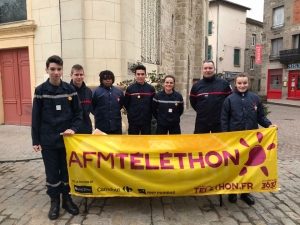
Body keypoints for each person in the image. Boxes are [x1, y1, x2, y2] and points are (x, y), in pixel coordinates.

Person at [31, 55, 82, 220]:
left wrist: (73, 128)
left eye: (59, 69)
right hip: (48, 140)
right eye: (52, 69)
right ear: (47, 70)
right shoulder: (40, 91)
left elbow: (78, 113)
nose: (56, 72)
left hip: (67, 140)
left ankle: (67, 200)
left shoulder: (70, 90)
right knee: (52, 173)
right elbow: (36, 117)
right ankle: (54, 202)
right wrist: (36, 140)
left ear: (62, 70)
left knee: (67, 171)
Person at [221, 73, 278, 205]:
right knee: (235, 166)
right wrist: (225, 137)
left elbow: (261, 117)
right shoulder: (229, 100)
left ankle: (245, 192)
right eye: (239, 83)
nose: (242, 85)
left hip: (251, 140)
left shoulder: (255, 98)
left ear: (248, 83)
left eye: (245, 83)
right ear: (235, 84)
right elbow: (224, 120)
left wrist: (269, 125)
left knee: (249, 166)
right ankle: (233, 192)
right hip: (234, 139)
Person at [189, 60, 232, 134]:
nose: (208, 70)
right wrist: (202, 111)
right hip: (202, 122)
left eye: (210, 68)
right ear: (202, 70)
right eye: (205, 68)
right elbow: (193, 102)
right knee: (200, 144)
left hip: (220, 122)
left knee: (220, 144)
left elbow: (230, 100)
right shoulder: (196, 86)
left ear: (214, 69)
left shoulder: (224, 84)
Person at [124, 65, 156, 134]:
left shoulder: (151, 89)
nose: (140, 76)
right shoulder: (130, 89)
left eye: (142, 74)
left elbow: (153, 104)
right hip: (133, 121)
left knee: (146, 141)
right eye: (138, 74)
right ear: (135, 75)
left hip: (146, 120)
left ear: (145, 75)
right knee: (133, 142)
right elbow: (127, 104)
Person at [92, 70, 124, 134]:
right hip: (101, 126)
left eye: (109, 78)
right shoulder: (95, 92)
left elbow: (120, 104)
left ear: (113, 79)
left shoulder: (119, 92)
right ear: (101, 80)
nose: (108, 80)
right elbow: (92, 106)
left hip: (116, 125)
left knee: (116, 143)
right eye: (105, 79)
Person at [70, 64, 93, 134]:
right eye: (76, 75)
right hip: (72, 131)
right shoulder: (66, 91)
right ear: (71, 75)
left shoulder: (88, 91)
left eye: (81, 74)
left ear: (84, 75)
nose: (79, 77)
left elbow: (93, 109)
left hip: (87, 130)